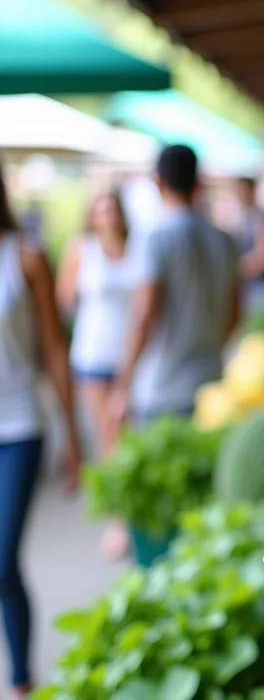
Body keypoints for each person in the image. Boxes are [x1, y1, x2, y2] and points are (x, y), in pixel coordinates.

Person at [0, 157, 82, 698]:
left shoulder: (25, 258)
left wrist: (72, 438)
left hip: (20, 425)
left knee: (2, 558)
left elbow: (54, 349)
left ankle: (23, 680)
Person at [108, 145, 241, 432]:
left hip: (161, 388)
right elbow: (235, 316)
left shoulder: (153, 239)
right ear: (198, 182)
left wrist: (122, 385)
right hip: (212, 383)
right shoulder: (225, 241)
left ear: (158, 181)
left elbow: (144, 316)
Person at [55, 190, 136, 558]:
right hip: (93, 354)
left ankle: (129, 510)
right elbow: (65, 299)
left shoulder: (135, 249)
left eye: (111, 208)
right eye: (100, 209)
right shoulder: (81, 249)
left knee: (128, 435)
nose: (106, 215)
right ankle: (118, 519)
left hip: (130, 358)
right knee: (107, 435)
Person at [233, 176, 264, 314]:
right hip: (246, 286)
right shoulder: (241, 218)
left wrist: (240, 270)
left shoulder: (263, 219)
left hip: (260, 285)